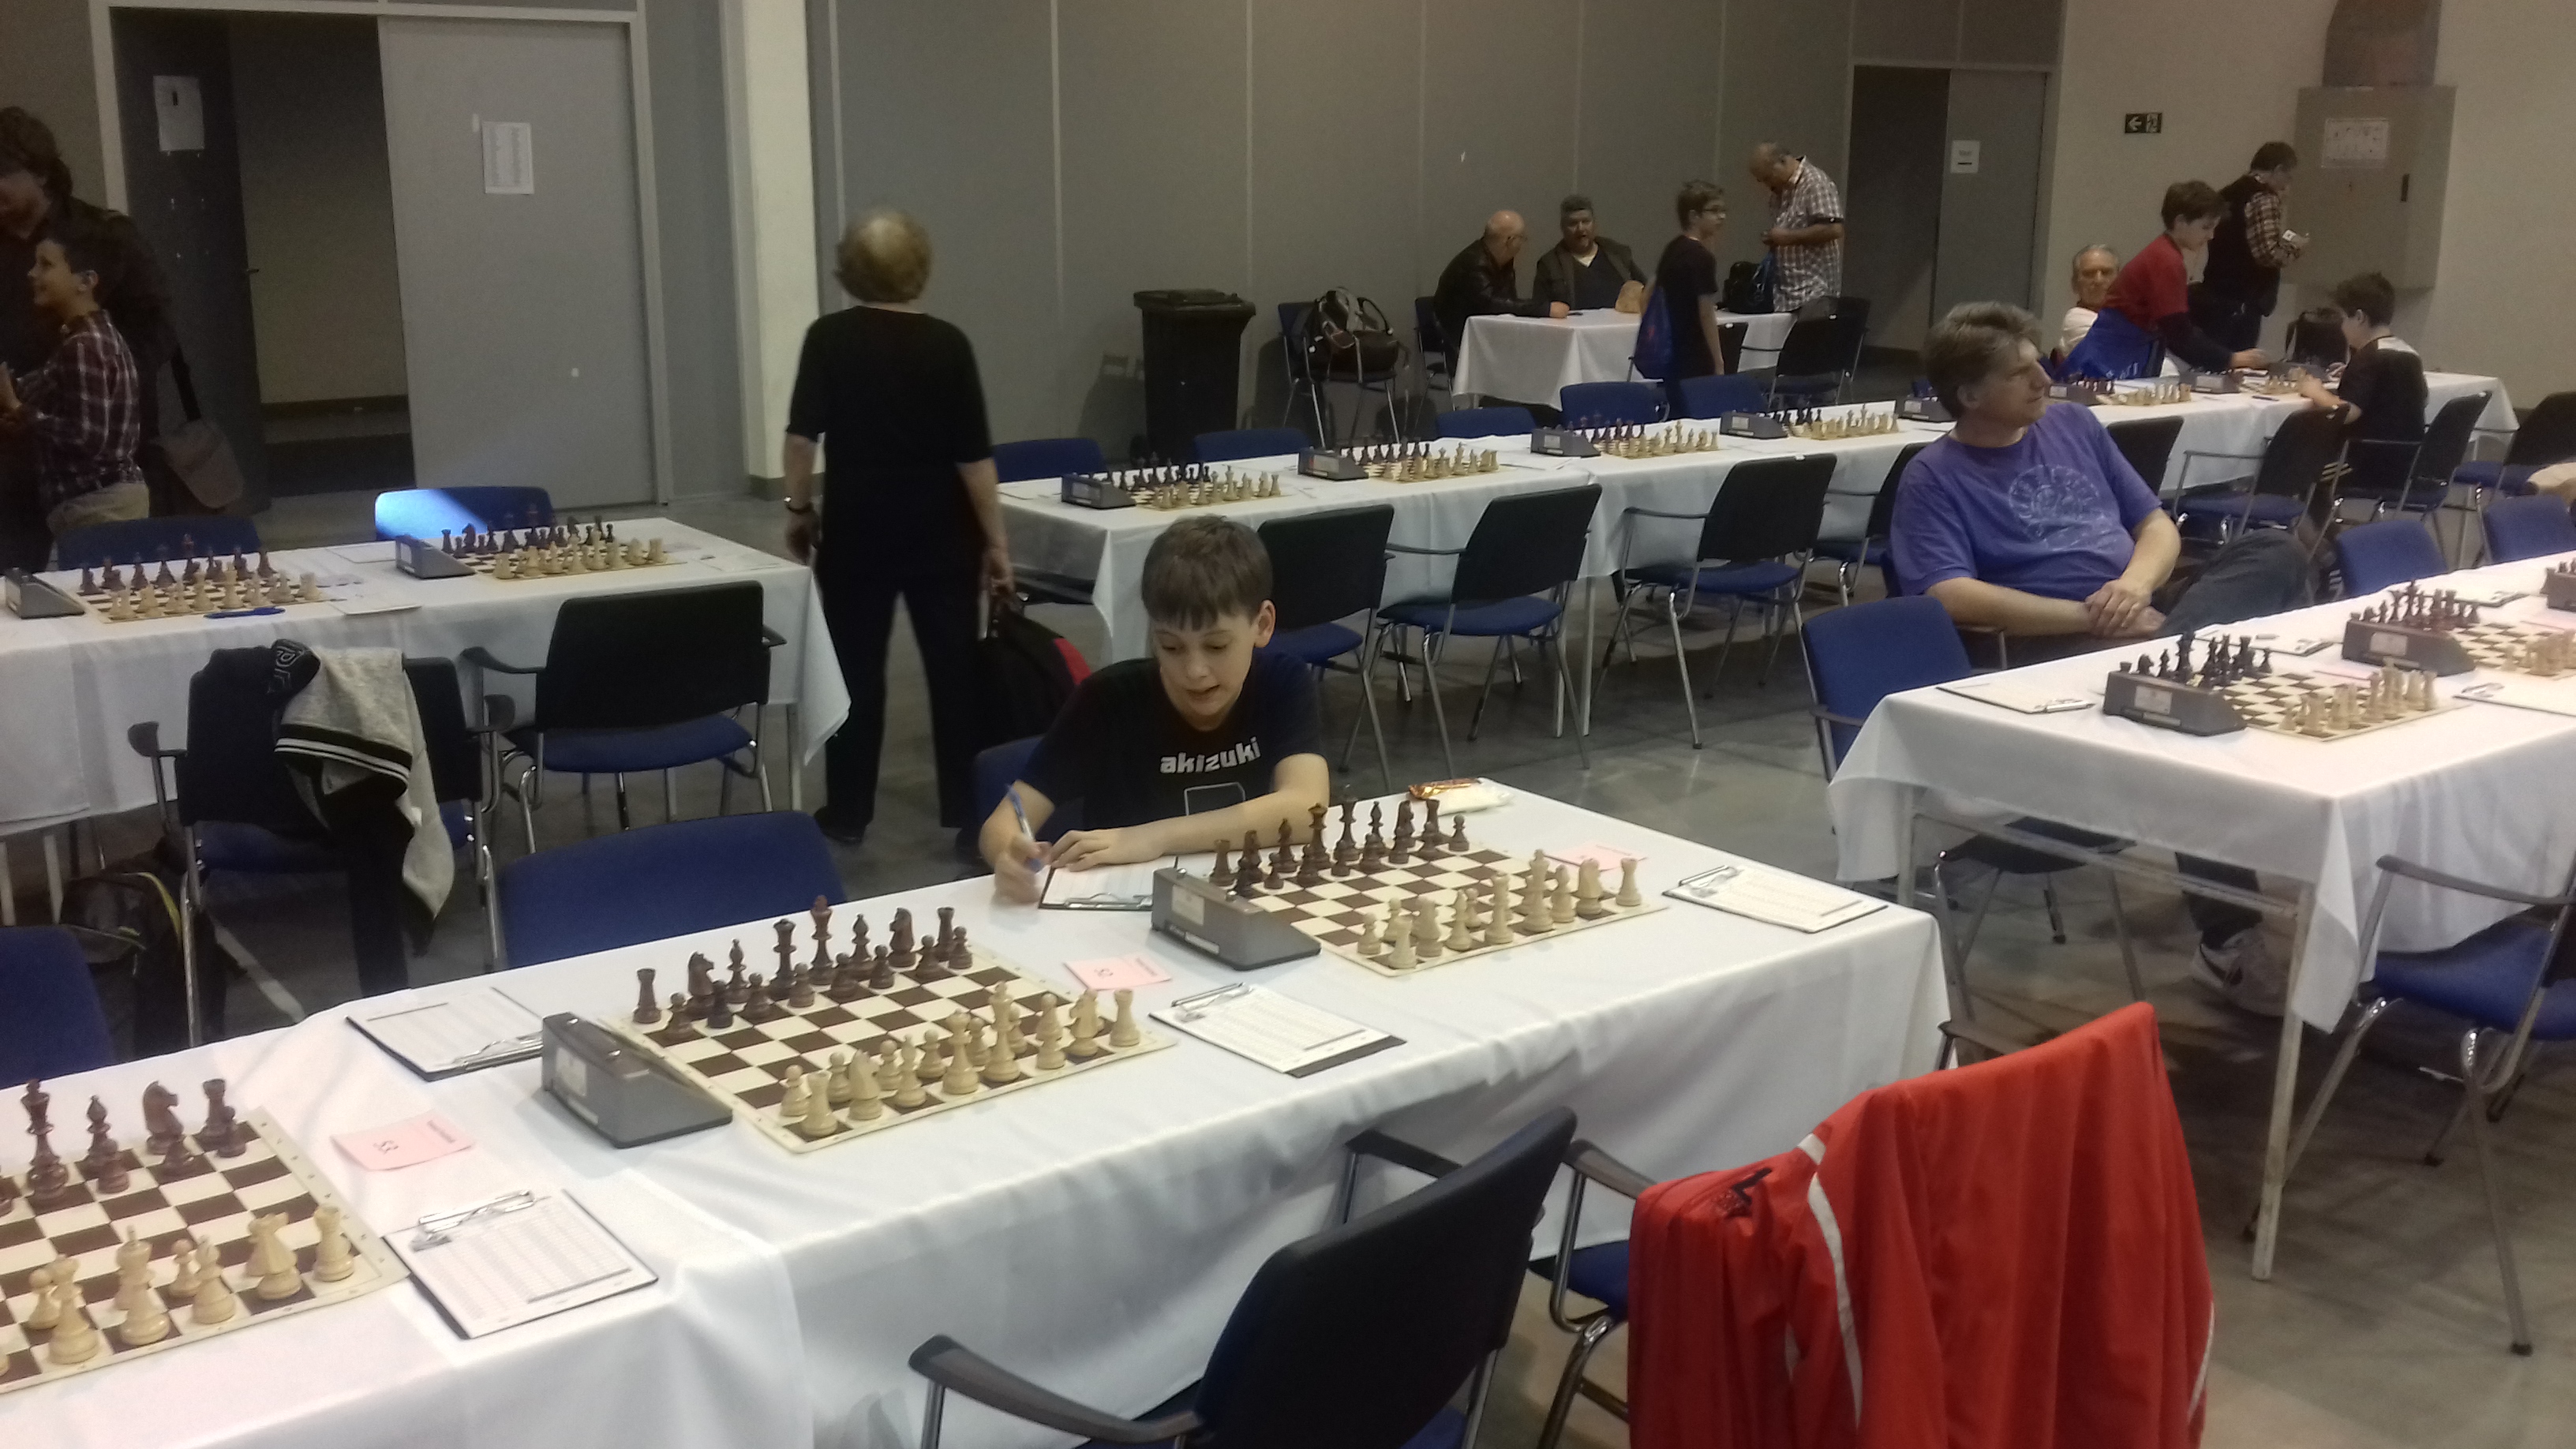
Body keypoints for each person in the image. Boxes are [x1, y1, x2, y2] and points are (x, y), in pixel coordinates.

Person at [1891, 301, 2312, 1010]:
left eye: (2038, 364)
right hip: (2053, 641)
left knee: (2274, 550)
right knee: (2184, 737)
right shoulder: (1934, 475)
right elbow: (1948, 593)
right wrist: (2091, 616)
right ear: (1970, 394)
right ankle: (2227, 940)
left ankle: (2174, 661)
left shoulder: (2075, 426)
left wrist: (2135, 588)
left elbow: (2154, 524)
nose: (2043, 380)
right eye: (2020, 374)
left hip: (2141, 610)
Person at [782, 209, 1013, 852]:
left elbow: (801, 440)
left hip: (858, 533)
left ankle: (848, 811)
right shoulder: (950, 345)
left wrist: (799, 510)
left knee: (855, 670)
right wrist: (997, 543)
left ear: (848, 271)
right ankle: (967, 812)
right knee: (954, 673)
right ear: (921, 269)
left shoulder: (827, 339)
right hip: (944, 536)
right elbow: (974, 460)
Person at [979, 516, 1328, 903]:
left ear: (1262, 625)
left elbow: (1307, 807)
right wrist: (1008, 856)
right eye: (1171, 647)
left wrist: (1153, 837)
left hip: (1242, 896)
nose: (1194, 671)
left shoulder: (1283, 682)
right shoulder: (1108, 700)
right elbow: (1002, 825)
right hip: (1119, 909)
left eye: (1216, 647)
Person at [0, 108, 172, 569]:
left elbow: (155, 327)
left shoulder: (102, 235)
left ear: (39, 172)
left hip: (95, 470)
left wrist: (90, 383)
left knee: (102, 587)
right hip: (13, 462)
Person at [0, 218, 152, 539]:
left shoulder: (83, 346)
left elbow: (88, 437)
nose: (32, 274)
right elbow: (39, 394)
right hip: (100, 503)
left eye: (46, 265)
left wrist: (21, 411)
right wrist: (19, 408)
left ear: (86, 281)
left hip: (98, 506)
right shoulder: (91, 338)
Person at [2063, 182, 2269, 381]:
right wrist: (2231, 359)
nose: (2211, 236)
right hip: (2109, 362)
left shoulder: (2163, 254)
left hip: (2120, 355)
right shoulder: (2166, 260)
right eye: (2206, 227)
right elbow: (2178, 334)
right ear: (2180, 222)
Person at [2295, 271, 2428, 507]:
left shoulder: (2368, 357)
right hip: (2408, 461)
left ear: (2359, 317)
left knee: (2296, 471)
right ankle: (2331, 531)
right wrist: (2354, 372)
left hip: (2365, 462)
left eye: (2343, 320)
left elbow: (2348, 412)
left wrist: (2315, 391)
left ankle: (2328, 533)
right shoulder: (2408, 353)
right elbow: (2413, 398)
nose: (2341, 328)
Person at [2193, 142, 2306, 353]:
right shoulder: (2264, 198)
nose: (2287, 184)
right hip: (2244, 299)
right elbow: (2268, 254)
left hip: (2215, 291)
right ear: (2278, 170)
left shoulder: (2226, 194)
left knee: (2214, 358)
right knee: (2240, 361)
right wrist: (2295, 248)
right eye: (2288, 177)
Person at [1432, 211, 1567, 375]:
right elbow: (1491, 304)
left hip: (1487, 336)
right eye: (1522, 238)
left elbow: (1507, 302)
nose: (1522, 244)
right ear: (1511, 241)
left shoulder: (1502, 261)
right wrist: (1544, 309)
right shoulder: (1475, 263)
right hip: (1460, 341)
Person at [1654, 180, 1732, 410]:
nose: (1721, 217)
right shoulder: (1702, 258)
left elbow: (1649, 292)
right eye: (1714, 211)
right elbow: (1706, 313)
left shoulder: (1672, 248)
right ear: (1694, 216)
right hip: (1696, 353)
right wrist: (1719, 361)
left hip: (1672, 351)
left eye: (1723, 210)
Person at [1749, 142, 1844, 314]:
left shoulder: (1815, 183)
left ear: (1783, 161)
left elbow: (1834, 229)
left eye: (1768, 177)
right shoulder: (1779, 191)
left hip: (1813, 293)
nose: (1768, 185)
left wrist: (1788, 237)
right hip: (1785, 294)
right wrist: (1775, 238)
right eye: (1762, 180)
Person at [1532, 195, 1645, 312]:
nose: (1580, 229)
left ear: (1594, 224)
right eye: (1573, 223)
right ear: (1563, 227)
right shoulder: (1550, 264)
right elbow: (1541, 309)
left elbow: (1645, 291)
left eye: (1586, 222)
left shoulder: (1619, 254)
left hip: (1620, 322)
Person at [2058, 244, 2119, 354]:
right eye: (2089, 274)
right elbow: (2117, 351)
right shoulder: (2075, 320)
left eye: (2106, 272)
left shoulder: (2127, 315)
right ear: (2075, 284)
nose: (2098, 280)